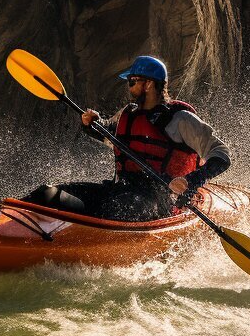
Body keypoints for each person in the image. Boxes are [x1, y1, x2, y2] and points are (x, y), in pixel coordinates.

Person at [24, 55, 231, 221]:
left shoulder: (181, 119)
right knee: (47, 194)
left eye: (132, 82)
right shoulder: (128, 114)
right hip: (120, 190)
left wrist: (191, 181)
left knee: (116, 209)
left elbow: (221, 154)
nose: (129, 87)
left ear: (149, 84)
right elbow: (108, 134)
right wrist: (92, 123)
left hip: (161, 200)